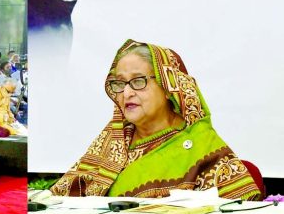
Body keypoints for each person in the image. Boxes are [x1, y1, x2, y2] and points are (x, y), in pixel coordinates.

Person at [50, 40, 262, 200]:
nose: (126, 93)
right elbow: (63, 201)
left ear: (169, 86)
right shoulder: (111, 144)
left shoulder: (201, 145)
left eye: (138, 81)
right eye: (119, 83)